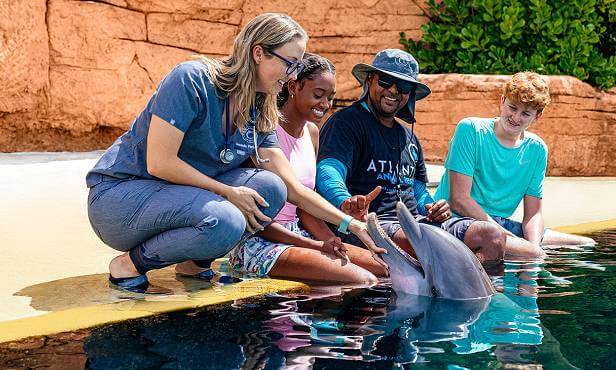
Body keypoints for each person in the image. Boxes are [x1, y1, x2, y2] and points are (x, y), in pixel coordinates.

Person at [85, 13, 385, 293]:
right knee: (225, 218)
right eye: (289, 63)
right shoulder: (192, 80)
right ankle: (130, 264)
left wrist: (352, 224)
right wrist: (228, 191)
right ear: (258, 53)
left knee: (271, 187)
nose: (292, 74)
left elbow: (291, 187)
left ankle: (194, 261)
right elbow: (160, 162)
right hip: (120, 199)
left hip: (173, 198)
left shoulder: (259, 109)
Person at [316, 49, 541, 263]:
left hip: (418, 224)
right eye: (385, 81)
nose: (394, 90)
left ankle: (488, 302)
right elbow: (328, 171)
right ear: (370, 81)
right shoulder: (346, 123)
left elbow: (417, 189)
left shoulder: (408, 138)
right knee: (435, 246)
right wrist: (345, 201)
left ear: (411, 93)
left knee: (491, 236)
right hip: (372, 223)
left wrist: (433, 208)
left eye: (403, 86)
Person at [229, 53, 386, 284]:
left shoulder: (312, 133)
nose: (325, 104)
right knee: (362, 279)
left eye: (330, 97)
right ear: (293, 87)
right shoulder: (264, 130)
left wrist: (333, 242)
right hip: (260, 241)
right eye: (318, 95)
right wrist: (315, 245)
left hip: (300, 234)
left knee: (385, 270)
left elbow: (304, 207)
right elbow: (256, 220)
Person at [434, 71, 595, 248]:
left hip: (499, 225)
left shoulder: (537, 149)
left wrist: (533, 247)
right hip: (455, 220)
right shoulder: (471, 129)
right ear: (502, 101)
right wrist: (510, 239)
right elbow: (459, 200)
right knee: (526, 252)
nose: (516, 117)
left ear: (537, 116)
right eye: (512, 107)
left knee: (586, 243)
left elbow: (533, 214)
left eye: (526, 113)